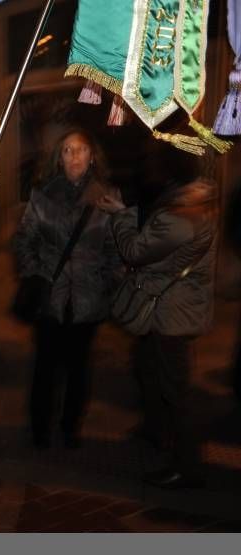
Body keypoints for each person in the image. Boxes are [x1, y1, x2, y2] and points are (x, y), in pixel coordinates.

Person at [99, 142, 217, 489]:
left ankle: (186, 466)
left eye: (158, 163)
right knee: (148, 368)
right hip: (174, 307)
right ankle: (156, 431)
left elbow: (136, 250)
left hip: (172, 315)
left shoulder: (181, 216)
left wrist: (119, 214)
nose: (152, 169)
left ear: (171, 168)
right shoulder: (194, 200)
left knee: (175, 391)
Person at [13, 128, 121, 450]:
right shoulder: (42, 194)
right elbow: (23, 241)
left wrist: (106, 281)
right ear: (58, 158)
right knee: (45, 368)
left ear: (92, 157)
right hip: (50, 298)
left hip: (88, 300)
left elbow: (117, 247)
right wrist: (35, 273)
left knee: (78, 370)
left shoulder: (107, 197)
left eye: (81, 150)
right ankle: (40, 429)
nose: (74, 156)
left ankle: (71, 426)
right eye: (67, 150)